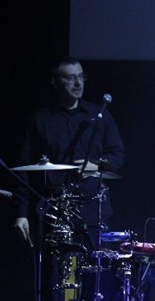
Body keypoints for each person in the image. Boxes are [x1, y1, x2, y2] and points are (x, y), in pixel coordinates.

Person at [14, 57, 126, 250]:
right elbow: (24, 167)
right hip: (53, 214)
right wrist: (21, 213)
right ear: (55, 82)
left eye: (81, 77)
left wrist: (94, 166)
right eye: (70, 78)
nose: (78, 83)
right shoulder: (41, 120)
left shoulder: (98, 115)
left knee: (93, 272)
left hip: (92, 212)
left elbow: (118, 153)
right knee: (53, 275)